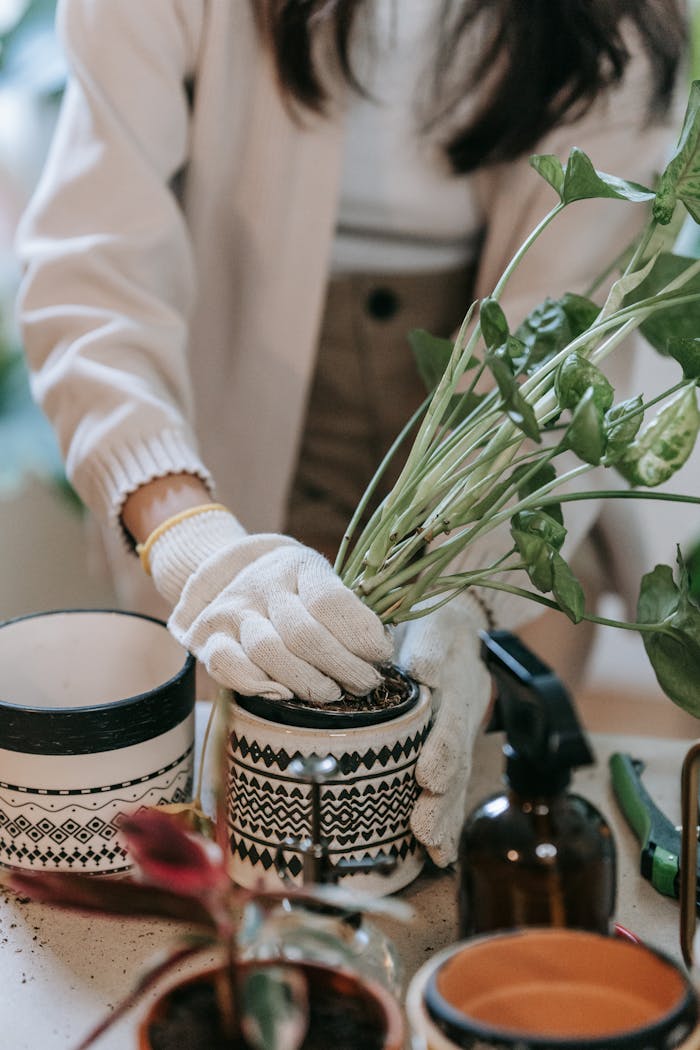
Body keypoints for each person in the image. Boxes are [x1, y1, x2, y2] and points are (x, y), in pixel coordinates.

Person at [14, 0, 687, 867]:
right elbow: (93, 274)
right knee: (247, 826)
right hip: (230, 448)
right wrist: (186, 528)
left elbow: (555, 354)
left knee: (436, 827)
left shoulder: (618, 29)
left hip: (481, 474)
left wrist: (470, 593)